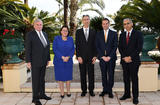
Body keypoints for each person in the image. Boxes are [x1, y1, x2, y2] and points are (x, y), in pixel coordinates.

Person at [25, 19, 51, 105]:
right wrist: (28, 61)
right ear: (34, 25)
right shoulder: (30, 35)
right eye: (38, 24)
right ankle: (35, 98)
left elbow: (47, 48)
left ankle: (42, 94)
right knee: (35, 80)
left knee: (42, 79)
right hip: (35, 61)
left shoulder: (45, 34)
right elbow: (28, 49)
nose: (39, 26)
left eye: (41, 25)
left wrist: (48, 59)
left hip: (44, 61)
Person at [118, 18, 143, 104]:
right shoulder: (122, 35)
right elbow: (120, 47)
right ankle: (127, 94)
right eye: (124, 24)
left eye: (128, 23)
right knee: (126, 79)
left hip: (134, 60)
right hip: (125, 61)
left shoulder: (138, 34)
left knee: (134, 79)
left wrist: (130, 57)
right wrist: (125, 57)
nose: (126, 25)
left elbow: (139, 47)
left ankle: (135, 97)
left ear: (132, 24)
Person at [96, 18, 118, 98]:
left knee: (111, 74)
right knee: (103, 74)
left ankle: (110, 90)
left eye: (106, 23)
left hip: (111, 58)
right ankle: (104, 89)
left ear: (109, 24)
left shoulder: (114, 33)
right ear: (102, 25)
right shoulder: (98, 34)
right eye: (103, 24)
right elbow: (97, 46)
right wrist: (102, 56)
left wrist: (109, 56)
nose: (105, 25)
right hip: (102, 58)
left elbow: (115, 46)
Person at [75, 15, 97, 97]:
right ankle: (83, 90)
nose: (86, 21)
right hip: (82, 57)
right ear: (82, 21)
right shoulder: (78, 32)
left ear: (89, 20)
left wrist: (95, 56)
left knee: (91, 75)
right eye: (84, 19)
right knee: (82, 74)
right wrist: (78, 56)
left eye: (87, 19)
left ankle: (91, 90)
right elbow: (77, 45)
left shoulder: (94, 31)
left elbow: (96, 45)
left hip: (91, 57)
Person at [53, 26, 75, 98]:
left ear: (68, 32)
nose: (65, 32)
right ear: (61, 31)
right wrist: (62, 57)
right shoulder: (56, 38)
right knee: (60, 77)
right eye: (63, 30)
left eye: (66, 31)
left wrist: (68, 57)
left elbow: (73, 49)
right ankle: (62, 93)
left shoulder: (70, 39)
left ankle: (68, 92)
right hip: (59, 61)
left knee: (68, 77)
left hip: (68, 61)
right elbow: (55, 49)